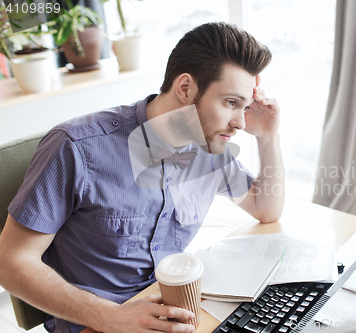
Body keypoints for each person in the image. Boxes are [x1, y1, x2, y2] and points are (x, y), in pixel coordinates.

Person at [0, 22, 284, 333]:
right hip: (97, 323)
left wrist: (268, 138)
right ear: (186, 88)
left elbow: (265, 208)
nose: (241, 122)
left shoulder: (208, 146)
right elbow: (10, 262)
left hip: (176, 310)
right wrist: (110, 317)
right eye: (231, 103)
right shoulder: (76, 148)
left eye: (245, 107)